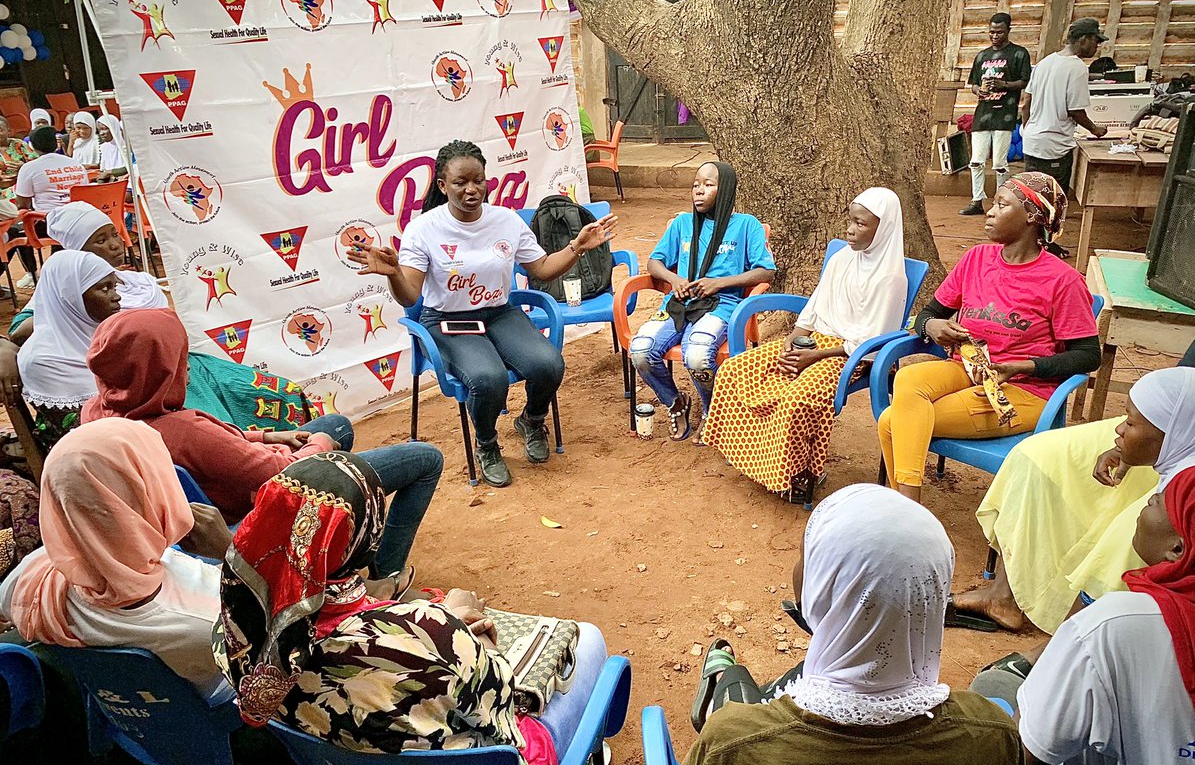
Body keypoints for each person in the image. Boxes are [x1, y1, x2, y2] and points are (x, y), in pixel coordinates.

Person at [215, 452, 558, 765]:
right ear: (364, 538)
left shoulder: (236, 632)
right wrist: (465, 631)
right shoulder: (431, 632)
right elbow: (500, 702)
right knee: (579, 651)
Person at [677, 484, 1026, 765]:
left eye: (807, 556)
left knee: (736, 686)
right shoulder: (991, 735)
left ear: (826, 587)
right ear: (933, 594)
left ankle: (723, 677)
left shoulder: (735, 744)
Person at [0, 418, 298, 765]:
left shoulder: (32, 580)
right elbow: (290, 638)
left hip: (131, 723)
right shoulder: (205, 623)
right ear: (146, 494)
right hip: (216, 731)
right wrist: (233, 555)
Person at [83, 309, 444, 580]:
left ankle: (334, 547)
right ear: (156, 367)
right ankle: (386, 576)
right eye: (180, 358)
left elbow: (218, 446)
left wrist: (269, 437)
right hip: (254, 509)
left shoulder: (99, 412)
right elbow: (287, 474)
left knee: (338, 423)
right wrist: (319, 445)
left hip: (219, 487)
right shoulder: (185, 431)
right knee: (425, 459)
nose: (188, 367)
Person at [349, 139, 618, 488]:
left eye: (478, 180)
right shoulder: (424, 230)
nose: (471, 189)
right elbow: (410, 295)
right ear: (443, 186)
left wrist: (576, 247)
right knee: (487, 378)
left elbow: (542, 268)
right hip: (448, 322)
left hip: (499, 313)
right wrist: (395, 274)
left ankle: (532, 420)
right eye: (460, 183)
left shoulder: (505, 221)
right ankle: (487, 443)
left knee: (548, 364)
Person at [1012, 465, 1195, 765]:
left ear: (1179, 548)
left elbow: (1026, 760)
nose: (1146, 504)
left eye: (1156, 500)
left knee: (996, 687)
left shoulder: (1113, 625)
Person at [877, 172, 1100, 503]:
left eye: (1002, 204)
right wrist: (930, 327)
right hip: (967, 368)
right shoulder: (976, 259)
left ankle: (905, 509)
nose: (990, 212)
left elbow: (1088, 355)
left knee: (892, 421)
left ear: (1032, 217)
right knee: (909, 378)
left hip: (1022, 390)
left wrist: (1019, 366)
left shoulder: (1063, 281)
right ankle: (907, 511)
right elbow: (929, 313)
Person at [3, 201, 316, 432]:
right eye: (99, 241)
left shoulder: (136, 283)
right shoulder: (57, 303)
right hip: (146, 402)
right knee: (211, 432)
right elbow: (32, 327)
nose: (114, 245)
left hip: (174, 372)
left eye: (113, 234)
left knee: (277, 394)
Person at [956, 366, 1195, 636]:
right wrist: (1129, 441)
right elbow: (1176, 399)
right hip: (1185, 416)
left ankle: (1068, 640)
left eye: (1128, 424)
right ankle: (1003, 595)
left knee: (1122, 541)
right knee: (1036, 456)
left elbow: (1086, 354)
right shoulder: (1167, 427)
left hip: (1183, 433)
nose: (1120, 428)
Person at [703, 188, 905, 498]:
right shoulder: (842, 258)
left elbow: (873, 343)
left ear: (884, 228)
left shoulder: (890, 278)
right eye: (850, 221)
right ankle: (757, 462)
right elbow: (814, 306)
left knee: (798, 397)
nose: (851, 230)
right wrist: (794, 338)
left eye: (861, 224)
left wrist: (816, 357)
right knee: (735, 370)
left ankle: (799, 473)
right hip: (814, 343)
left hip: (850, 355)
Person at [629, 162, 775, 441]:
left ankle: (712, 412)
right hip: (679, 303)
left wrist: (718, 283)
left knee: (697, 355)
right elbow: (654, 261)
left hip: (721, 303)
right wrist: (674, 281)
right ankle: (675, 402)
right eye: (696, 184)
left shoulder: (746, 226)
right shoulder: (683, 223)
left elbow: (765, 271)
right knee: (640, 351)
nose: (699, 191)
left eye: (708, 185)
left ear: (726, 190)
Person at [15, 250, 120, 446]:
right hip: (86, 456)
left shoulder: (104, 334)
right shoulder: (43, 359)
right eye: (104, 288)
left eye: (114, 286)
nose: (117, 297)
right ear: (70, 296)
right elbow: (75, 434)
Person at [1020, 18, 1110, 194]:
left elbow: (1026, 104)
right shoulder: (1077, 67)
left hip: (1032, 143)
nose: (1097, 46)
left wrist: (1028, 130)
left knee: (1032, 198)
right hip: (1054, 146)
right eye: (1095, 41)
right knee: (1054, 199)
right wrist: (1094, 129)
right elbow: (1075, 110)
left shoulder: (1044, 62)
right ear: (1083, 39)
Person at [961, 14, 1031, 216]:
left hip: (1005, 115)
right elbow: (973, 82)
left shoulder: (1019, 54)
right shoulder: (982, 56)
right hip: (983, 114)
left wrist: (1005, 85)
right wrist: (978, 91)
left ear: (1009, 30)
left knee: (1000, 163)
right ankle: (976, 200)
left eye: (999, 32)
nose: (995, 36)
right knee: (976, 160)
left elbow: (1025, 82)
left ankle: (1001, 200)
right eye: (991, 32)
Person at [13, 127, 87, 291]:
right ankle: (58, 274)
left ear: (31, 146)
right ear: (56, 144)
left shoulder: (30, 168)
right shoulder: (76, 164)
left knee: (14, 231)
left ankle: (32, 275)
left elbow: (22, 205)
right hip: (80, 221)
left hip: (49, 224)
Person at [95, 115, 128, 182]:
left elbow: (129, 168)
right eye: (99, 130)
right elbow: (102, 172)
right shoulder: (103, 147)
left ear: (114, 128)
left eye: (104, 129)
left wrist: (109, 172)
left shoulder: (125, 146)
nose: (101, 133)